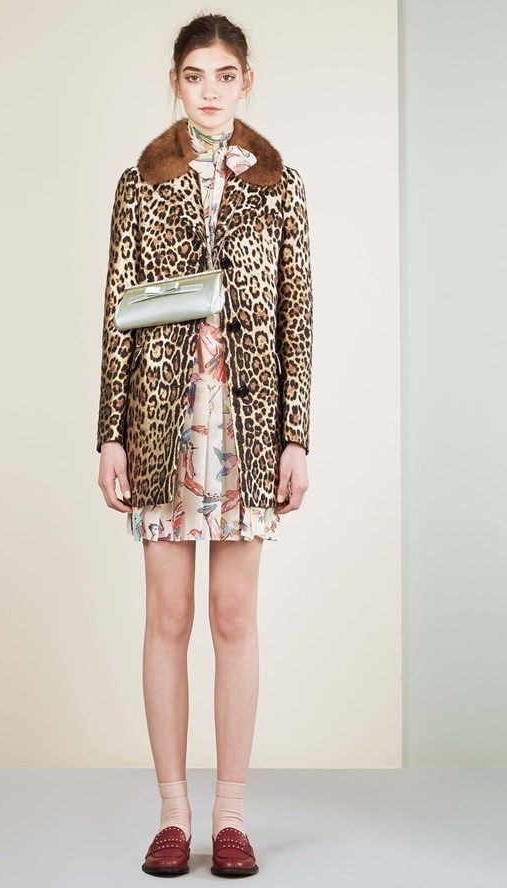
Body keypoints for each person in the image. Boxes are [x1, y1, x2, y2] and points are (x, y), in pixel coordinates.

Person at [96, 13, 313, 878]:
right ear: (175, 83)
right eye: (195, 75)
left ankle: (229, 816)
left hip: (248, 428)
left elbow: (298, 317)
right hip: (162, 420)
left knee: (233, 616)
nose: (211, 90)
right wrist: (109, 434)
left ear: (246, 81)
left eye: (225, 75)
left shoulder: (280, 185)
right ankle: (171, 816)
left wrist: (297, 437)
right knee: (168, 616)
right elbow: (119, 311)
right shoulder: (141, 183)